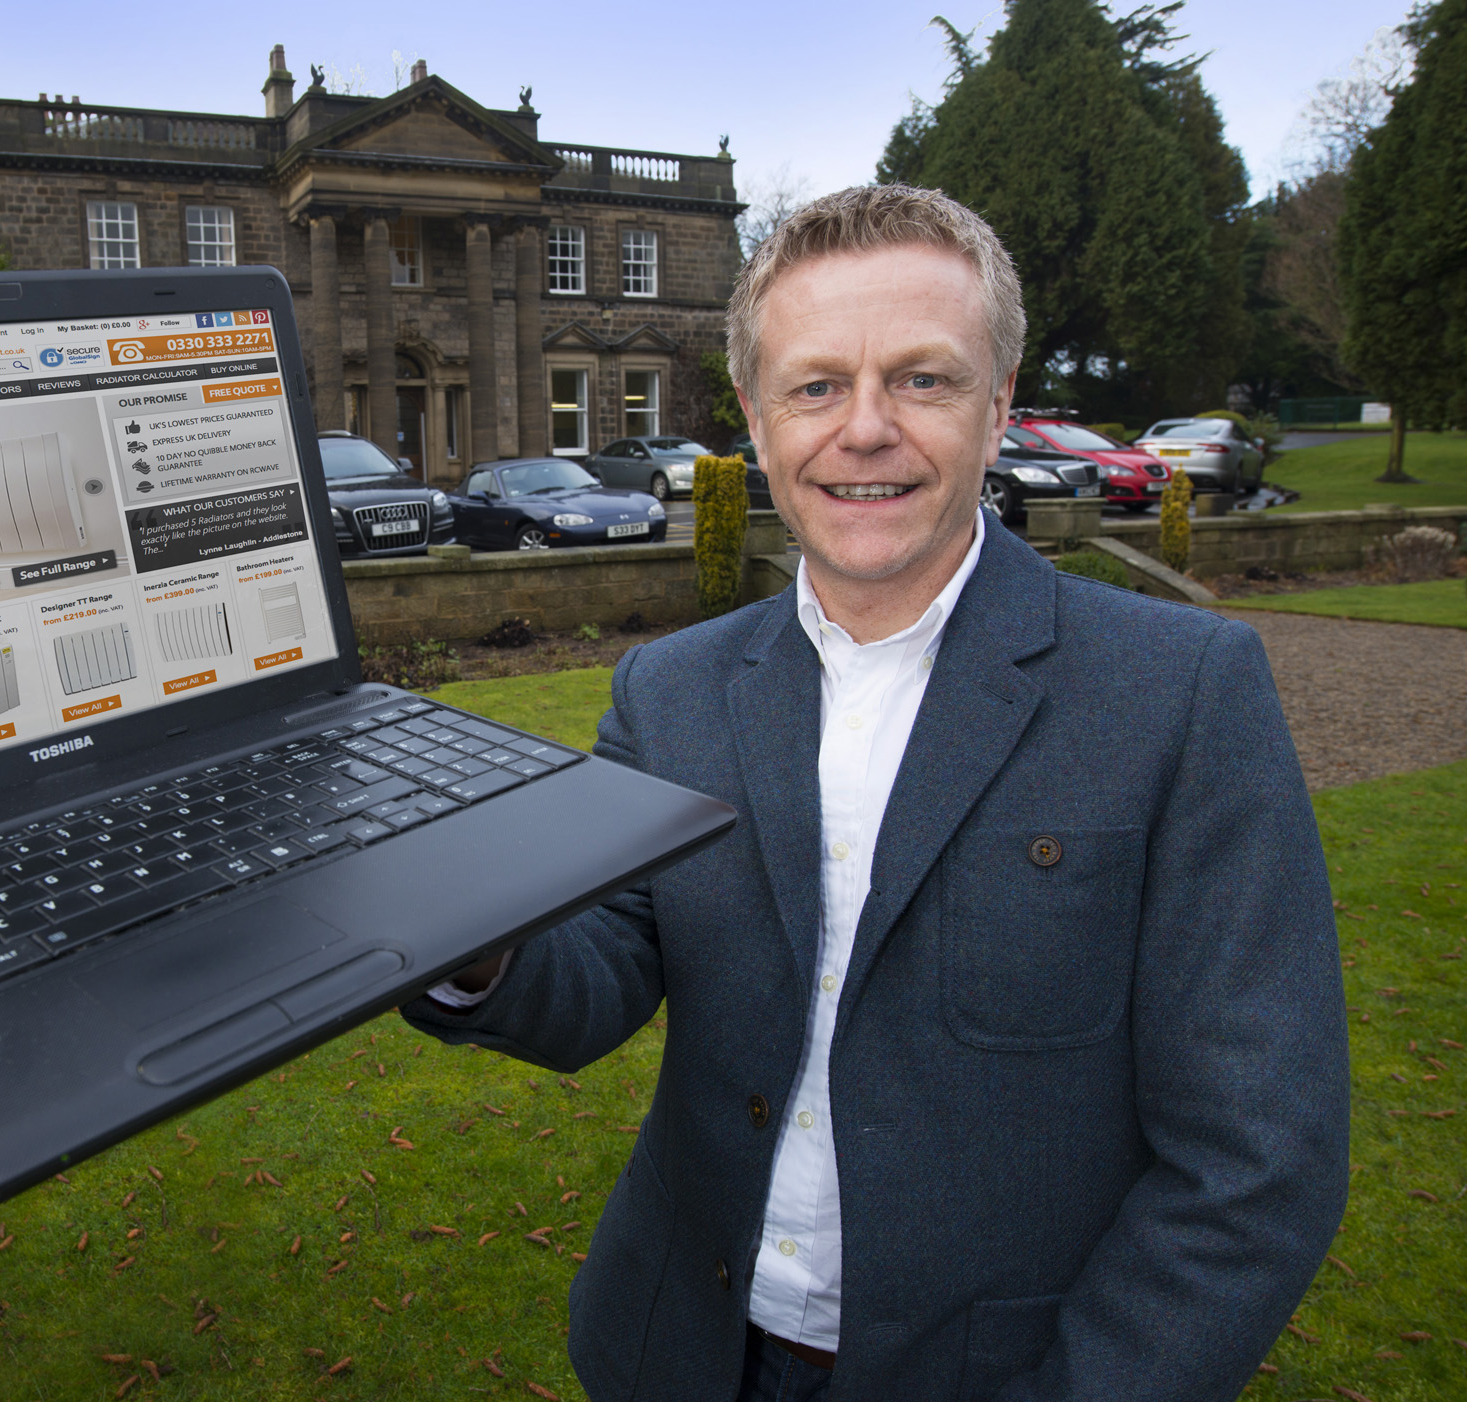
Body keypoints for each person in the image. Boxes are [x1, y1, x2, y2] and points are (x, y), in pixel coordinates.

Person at [402, 185, 1348, 1402]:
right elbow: (599, 974)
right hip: (680, 1349)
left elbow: (1259, 1160)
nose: (863, 430)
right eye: (814, 386)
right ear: (753, 415)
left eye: (923, 378)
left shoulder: (1181, 692)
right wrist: (469, 942)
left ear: (999, 403)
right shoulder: (674, 689)